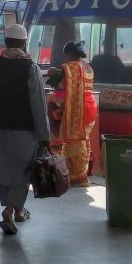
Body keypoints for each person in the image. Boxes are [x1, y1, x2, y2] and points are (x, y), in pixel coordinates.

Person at [0, 25, 50, 235]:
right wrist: (44, 135)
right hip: (25, 129)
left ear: (6, 43)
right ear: (23, 43)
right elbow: (38, 104)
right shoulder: (30, 68)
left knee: (6, 169)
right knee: (22, 171)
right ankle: (11, 210)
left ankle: (15, 209)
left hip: (1, 127)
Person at [46, 41, 98, 187]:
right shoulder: (87, 67)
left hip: (78, 110)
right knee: (83, 140)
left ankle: (77, 177)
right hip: (90, 108)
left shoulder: (70, 67)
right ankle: (81, 175)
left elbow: (60, 85)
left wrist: (53, 72)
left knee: (73, 144)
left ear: (69, 54)